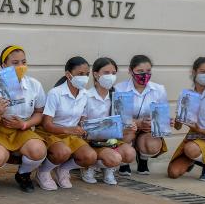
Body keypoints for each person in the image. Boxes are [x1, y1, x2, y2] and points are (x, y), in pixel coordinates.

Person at [0, 45, 47, 193]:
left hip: (22, 128)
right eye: (15, 63)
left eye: (23, 62)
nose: (20, 66)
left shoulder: (34, 85)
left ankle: (23, 174)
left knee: (38, 150)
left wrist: (25, 124)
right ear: (4, 65)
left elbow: (39, 113)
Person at [36, 56, 96, 190]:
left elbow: (82, 119)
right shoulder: (55, 93)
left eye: (87, 74)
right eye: (80, 74)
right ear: (68, 75)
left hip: (71, 134)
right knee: (63, 152)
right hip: (51, 132)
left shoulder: (85, 95)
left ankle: (62, 170)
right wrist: (69, 130)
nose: (84, 78)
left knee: (90, 157)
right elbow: (47, 124)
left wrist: (84, 127)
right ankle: (43, 171)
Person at [80, 57, 136, 186]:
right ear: (95, 74)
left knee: (130, 154)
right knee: (114, 158)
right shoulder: (86, 96)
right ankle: (90, 167)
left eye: (113, 73)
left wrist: (129, 125)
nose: (110, 76)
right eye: (106, 73)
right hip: (91, 141)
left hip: (111, 140)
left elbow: (124, 120)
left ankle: (108, 168)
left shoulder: (118, 96)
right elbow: (81, 123)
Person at [114, 55, 168, 175]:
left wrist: (155, 123)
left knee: (152, 145)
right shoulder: (119, 89)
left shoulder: (159, 89)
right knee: (128, 132)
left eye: (148, 71)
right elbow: (119, 118)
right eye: (140, 71)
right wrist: (138, 123)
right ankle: (124, 163)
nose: (144, 74)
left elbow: (162, 116)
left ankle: (143, 160)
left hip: (147, 130)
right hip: (127, 128)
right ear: (130, 71)